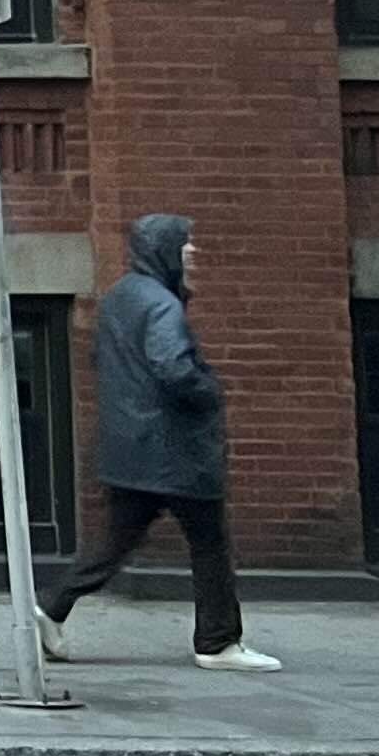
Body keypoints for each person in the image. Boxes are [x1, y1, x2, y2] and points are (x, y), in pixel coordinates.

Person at [43, 214, 277, 672]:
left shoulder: (119, 298)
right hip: (175, 450)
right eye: (185, 243)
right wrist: (209, 391)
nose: (193, 251)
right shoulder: (163, 306)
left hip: (131, 447)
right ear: (164, 249)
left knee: (116, 542)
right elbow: (174, 368)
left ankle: (50, 608)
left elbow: (103, 360)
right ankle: (218, 643)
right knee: (210, 543)